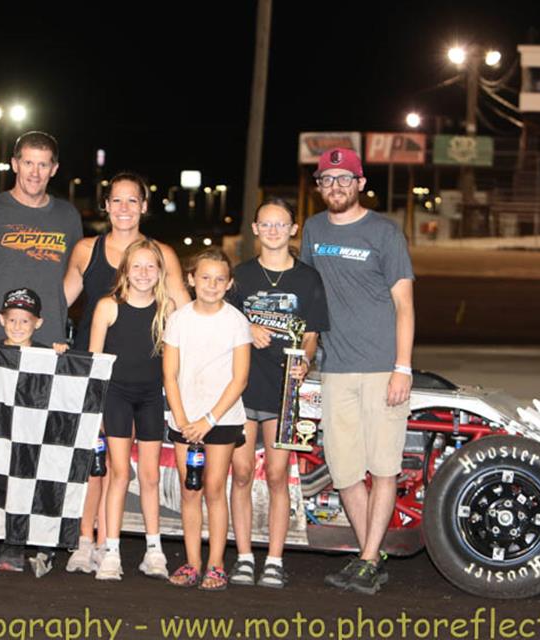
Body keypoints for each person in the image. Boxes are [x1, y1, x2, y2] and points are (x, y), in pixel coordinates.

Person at [299, 148, 415, 595]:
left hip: (382, 367)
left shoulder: (384, 232)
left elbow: (404, 304)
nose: (336, 187)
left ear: (361, 184)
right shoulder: (313, 229)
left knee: (384, 467)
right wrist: (305, 350)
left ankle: (367, 560)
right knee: (345, 469)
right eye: (327, 180)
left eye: (345, 179)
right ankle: (373, 556)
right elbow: (309, 296)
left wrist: (402, 367)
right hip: (336, 369)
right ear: (319, 187)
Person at [62, 171, 190, 574]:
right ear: (105, 206)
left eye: (132, 200)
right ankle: (86, 542)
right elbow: (58, 302)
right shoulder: (87, 249)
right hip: (100, 371)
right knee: (95, 465)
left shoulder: (162, 255)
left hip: (146, 377)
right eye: (116, 200)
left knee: (130, 469)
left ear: (144, 206)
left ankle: (112, 544)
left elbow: (187, 312)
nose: (123, 208)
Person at [227, 198, 329, 588]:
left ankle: (274, 558)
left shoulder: (308, 279)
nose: (272, 231)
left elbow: (311, 335)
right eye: (265, 224)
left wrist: (304, 360)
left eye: (280, 224)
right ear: (255, 229)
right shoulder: (240, 276)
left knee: (276, 474)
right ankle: (244, 556)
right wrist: (245, 329)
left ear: (293, 229)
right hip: (241, 388)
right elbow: (223, 322)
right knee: (239, 474)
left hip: (284, 391)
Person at [0, 287, 69, 578]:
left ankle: (17, 543)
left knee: (25, 486)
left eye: (26, 321)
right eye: (13, 320)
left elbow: (68, 392)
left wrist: (63, 359)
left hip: (30, 440)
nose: (18, 327)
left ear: (38, 323)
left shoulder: (46, 354)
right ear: (1, 319)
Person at [86, 239, 177, 581]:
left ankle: (154, 550)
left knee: (151, 476)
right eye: (136, 266)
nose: (143, 273)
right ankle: (110, 550)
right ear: (125, 270)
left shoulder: (167, 311)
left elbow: (175, 362)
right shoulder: (108, 307)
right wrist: (94, 411)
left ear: (159, 273)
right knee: (119, 473)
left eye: (150, 267)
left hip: (152, 397)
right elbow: (95, 362)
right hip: (116, 396)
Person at [162, 248, 252, 591]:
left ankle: (216, 565)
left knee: (215, 489)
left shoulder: (235, 322)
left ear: (228, 284)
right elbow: (170, 374)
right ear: (190, 279)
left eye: (219, 279)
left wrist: (209, 420)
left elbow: (239, 379)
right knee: (190, 490)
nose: (211, 285)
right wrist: (184, 420)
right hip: (185, 420)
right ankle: (192, 563)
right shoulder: (179, 319)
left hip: (222, 420)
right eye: (204, 277)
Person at [0, 130, 83, 346]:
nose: (35, 173)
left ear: (54, 169)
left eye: (43, 165)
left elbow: (77, 274)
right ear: (15, 164)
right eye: (28, 163)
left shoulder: (68, 216)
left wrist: (53, 307)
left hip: (49, 344)